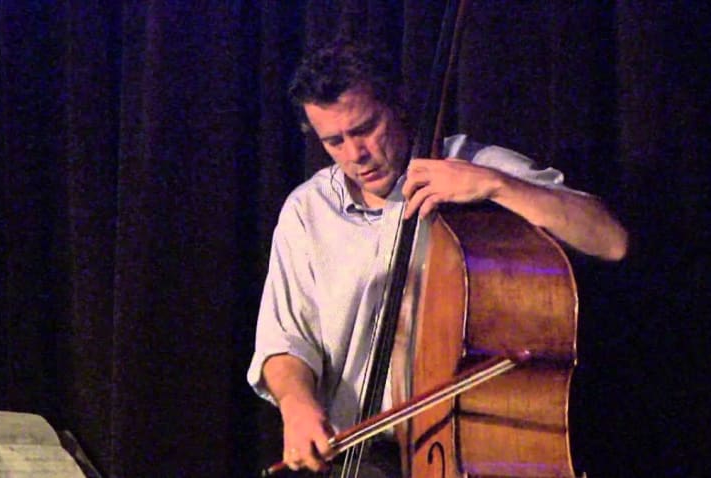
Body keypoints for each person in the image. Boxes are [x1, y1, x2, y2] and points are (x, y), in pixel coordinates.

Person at [247, 39, 628, 477]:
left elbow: (610, 240)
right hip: (360, 456)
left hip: (474, 443)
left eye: (366, 129)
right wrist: (296, 406)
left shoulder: (471, 165)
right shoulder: (308, 210)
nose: (356, 155)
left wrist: (496, 186)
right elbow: (285, 341)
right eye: (334, 141)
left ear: (397, 106)